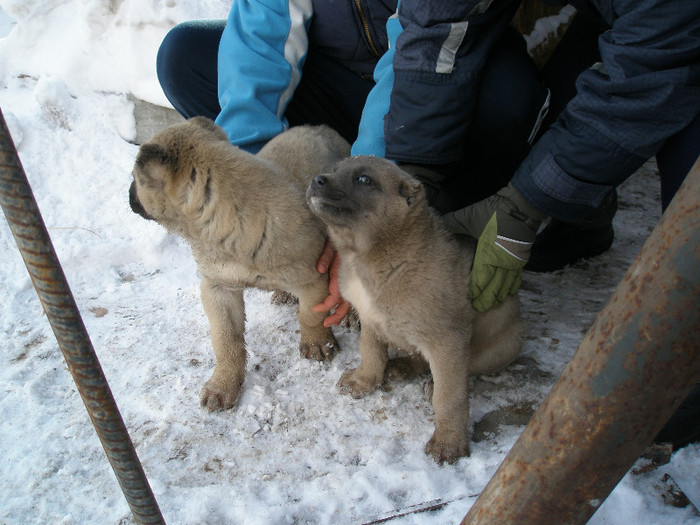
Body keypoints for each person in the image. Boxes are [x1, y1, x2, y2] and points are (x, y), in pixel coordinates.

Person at [156, 1, 699, 446]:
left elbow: (656, 59)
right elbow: (265, 34)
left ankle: (579, 214)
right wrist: (261, 180)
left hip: (414, 78)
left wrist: (525, 201)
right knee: (184, 54)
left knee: (513, 95)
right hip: (344, 79)